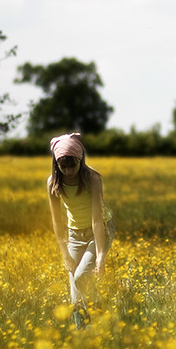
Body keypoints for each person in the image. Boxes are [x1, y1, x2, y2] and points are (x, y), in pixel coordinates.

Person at [47, 133, 115, 328]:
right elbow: (57, 221)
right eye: (63, 166)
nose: (68, 171)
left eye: (72, 165)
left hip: (100, 229)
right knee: (75, 292)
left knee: (81, 276)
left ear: (80, 160)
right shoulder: (52, 182)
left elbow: (97, 219)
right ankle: (83, 335)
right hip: (74, 234)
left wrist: (101, 256)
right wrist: (65, 255)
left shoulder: (93, 179)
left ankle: (99, 316)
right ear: (56, 164)